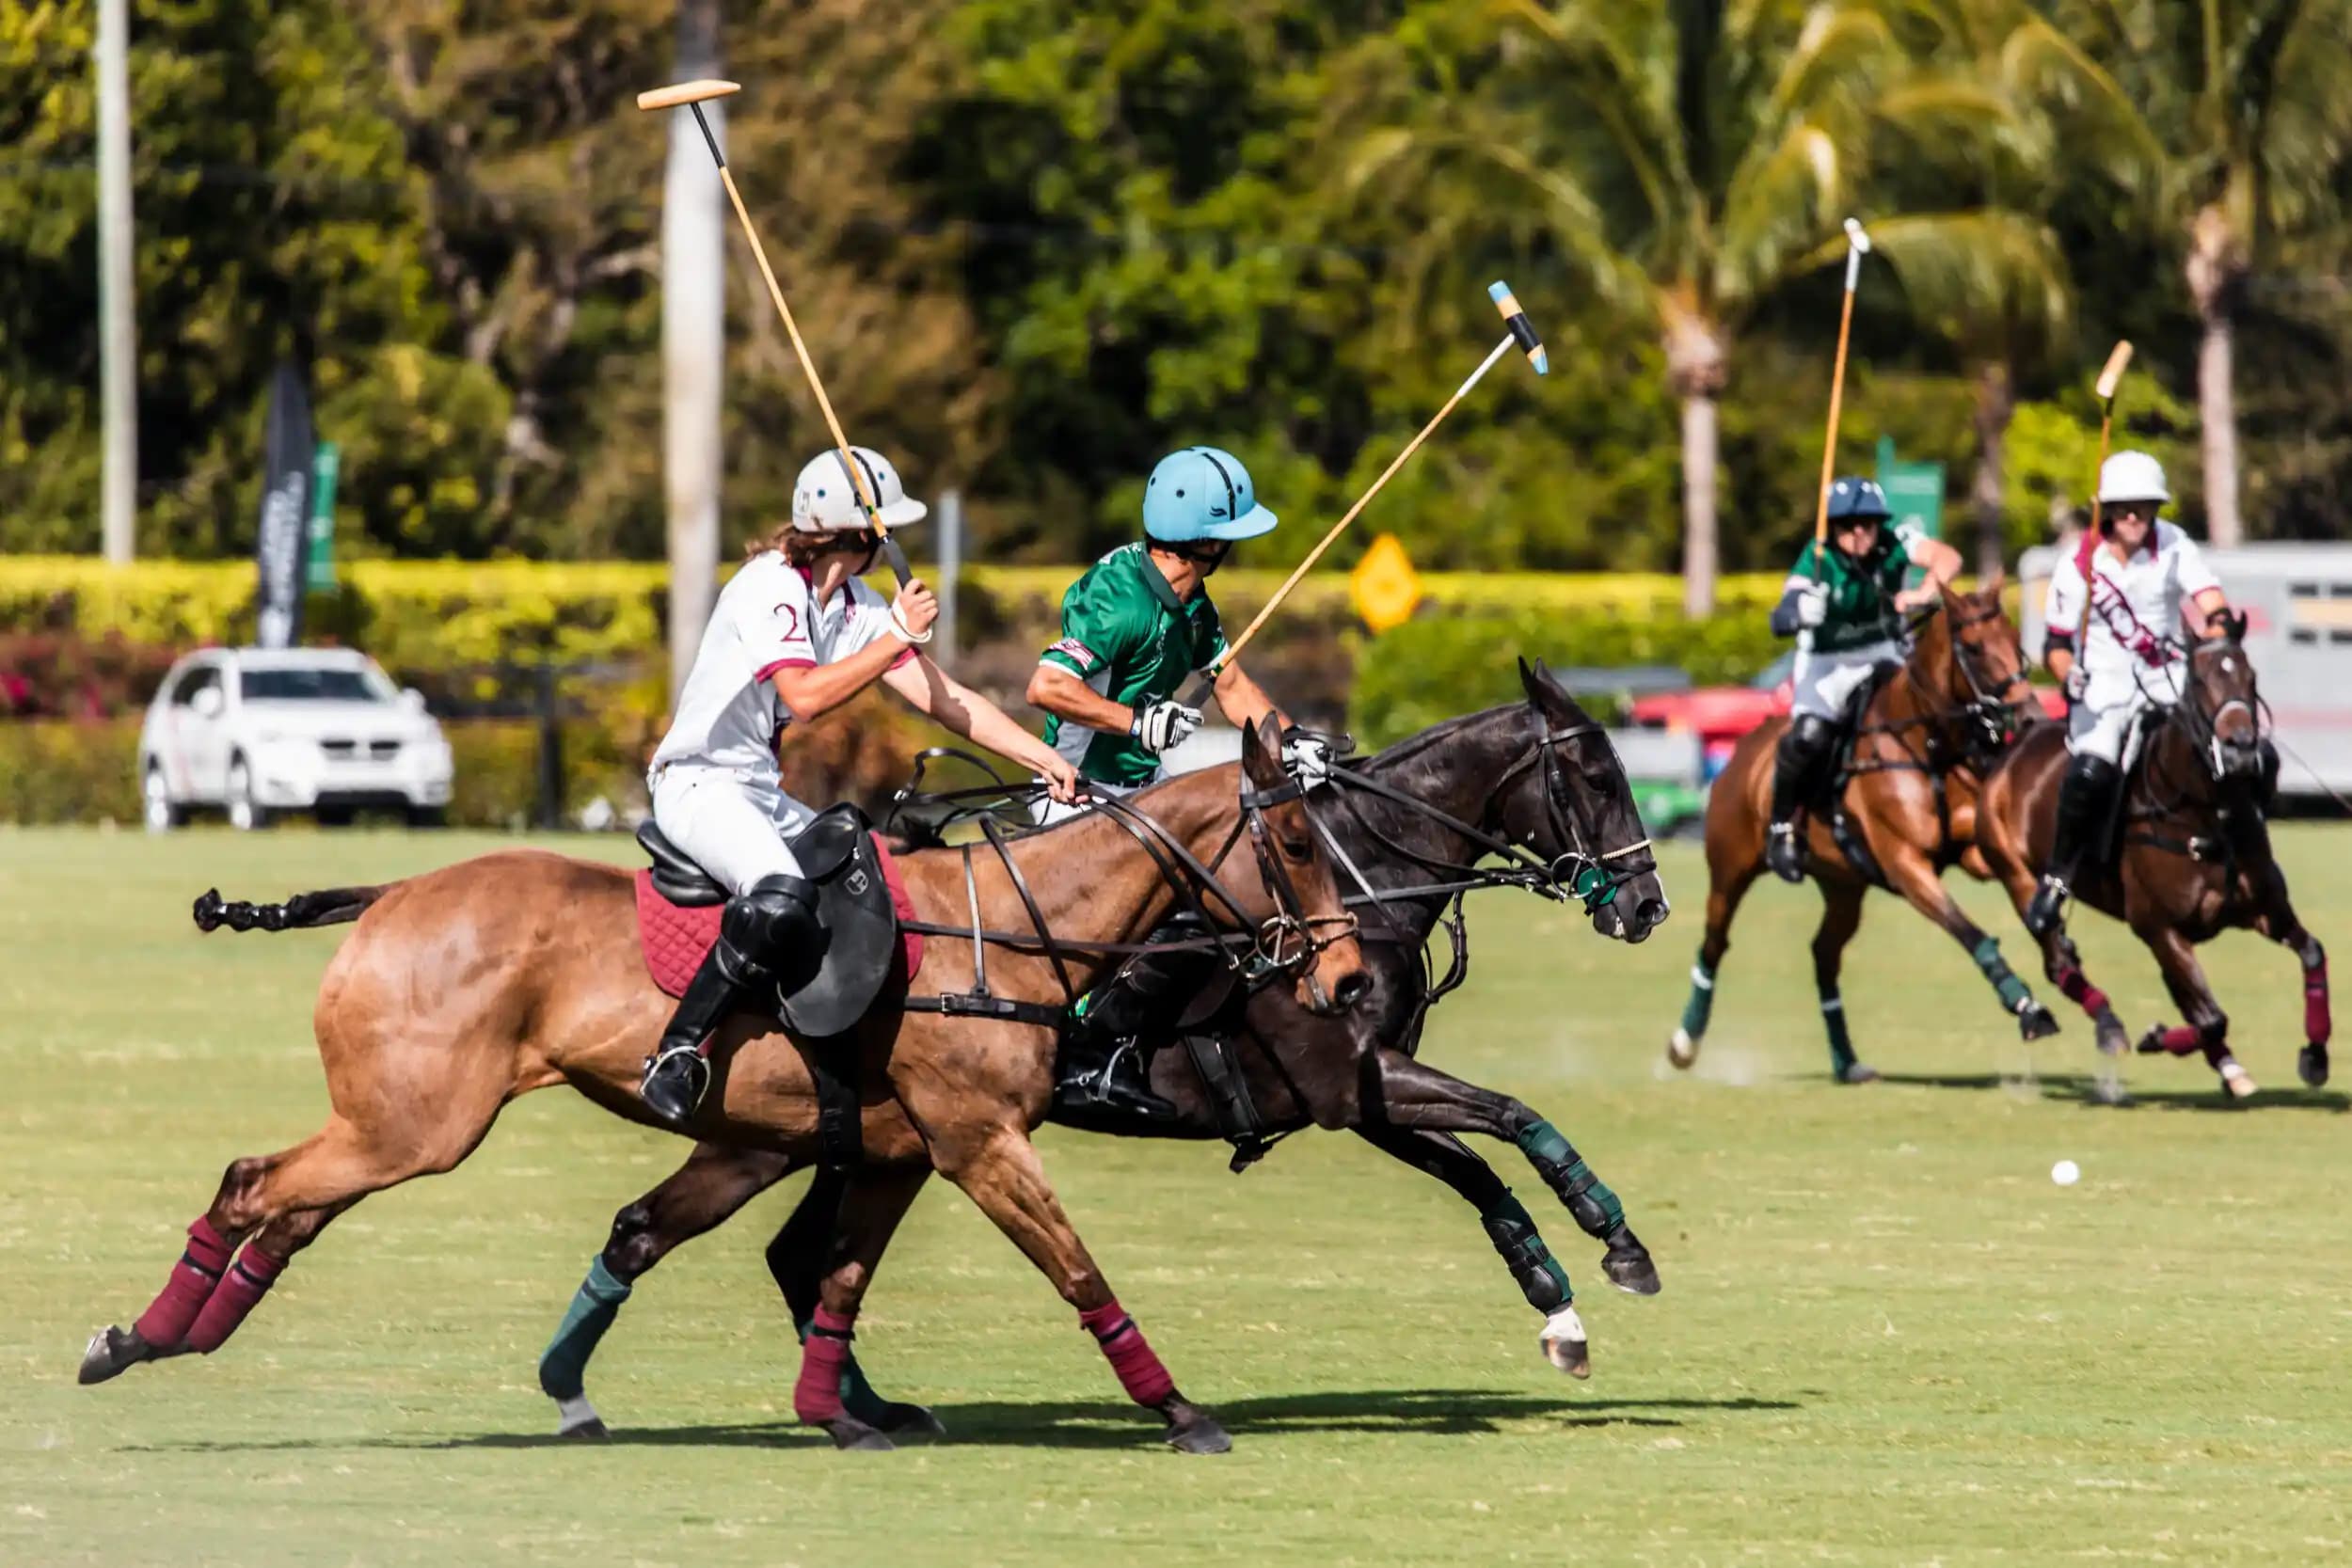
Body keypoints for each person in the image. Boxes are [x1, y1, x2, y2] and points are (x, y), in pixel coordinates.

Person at [639, 447, 1080, 1123]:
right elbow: (805, 696)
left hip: (758, 790)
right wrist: (896, 634)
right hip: (697, 783)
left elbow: (944, 699)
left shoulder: (852, 604)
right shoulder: (768, 587)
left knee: (872, 873)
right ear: (859, 534)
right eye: (886, 529)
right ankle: (677, 1052)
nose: (892, 541)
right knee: (782, 897)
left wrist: (1040, 758)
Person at [1025, 445, 1313, 1121]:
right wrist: (1138, 721)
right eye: (1230, 534)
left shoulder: (1193, 604)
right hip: (1074, 795)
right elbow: (1047, 686)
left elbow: (1233, 688)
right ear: (1204, 540)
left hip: (1141, 798)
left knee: (1230, 894)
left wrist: (1295, 744)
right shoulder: (1116, 597)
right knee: (1177, 915)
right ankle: (1094, 1057)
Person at [2026, 450, 2229, 937]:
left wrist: (2218, 630)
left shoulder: (2174, 544)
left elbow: (2211, 600)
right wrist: (2068, 674)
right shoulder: (2080, 563)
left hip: (2168, 679)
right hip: (2104, 688)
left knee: (2233, 751)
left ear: (2156, 508)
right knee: (2091, 771)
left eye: (2144, 506)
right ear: (2108, 511)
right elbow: (2055, 644)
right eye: (2124, 507)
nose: (2134, 517)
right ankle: (2059, 876)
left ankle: (2242, 851)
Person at [1763, 477, 1962, 883]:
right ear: (1833, 527)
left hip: (1882, 652)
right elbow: (1780, 617)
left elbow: (1947, 558)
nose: (1859, 532)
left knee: (1932, 709)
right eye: (1848, 524)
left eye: (1868, 523)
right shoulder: (1818, 557)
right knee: (1809, 737)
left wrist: (1924, 591)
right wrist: (1800, 612)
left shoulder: (1894, 541)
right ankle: (1782, 825)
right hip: (1827, 661)